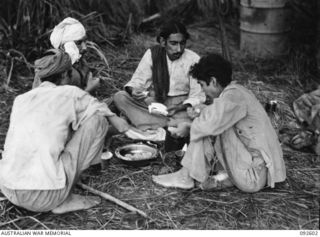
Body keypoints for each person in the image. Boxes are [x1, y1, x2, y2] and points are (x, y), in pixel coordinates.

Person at [0, 50, 129, 213]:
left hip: (8, 187)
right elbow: (107, 115)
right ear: (64, 76)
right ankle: (66, 197)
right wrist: (123, 124)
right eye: (71, 73)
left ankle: (57, 183)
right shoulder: (70, 93)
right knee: (98, 120)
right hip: (45, 197)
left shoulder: (21, 99)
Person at [152, 53, 286, 192]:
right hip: (258, 169)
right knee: (209, 123)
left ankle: (185, 176)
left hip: (253, 176)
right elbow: (218, 113)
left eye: (202, 85)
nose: (203, 90)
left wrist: (188, 127)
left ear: (214, 81)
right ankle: (207, 175)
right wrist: (202, 111)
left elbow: (209, 125)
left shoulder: (233, 97)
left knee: (209, 127)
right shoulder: (237, 92)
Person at [113, 20, 205, 148]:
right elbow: (138, 81)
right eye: (173, 43)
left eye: (182, 43)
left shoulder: (193, 59)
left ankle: (152, 127)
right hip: (158, 105)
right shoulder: (153, 54)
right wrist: (134, 91)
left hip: (182, 108)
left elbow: (198, 95)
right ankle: (169, 127)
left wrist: (181, 107)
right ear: (163, 42)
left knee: (199, 112)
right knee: (120, 97)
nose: (179, 49)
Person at [32, 17, 99, 93]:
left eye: (85, 41)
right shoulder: (52, 66)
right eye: (79, 43)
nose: (85, 48)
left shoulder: (81, 64)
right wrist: (89, 90)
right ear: (62, 47)